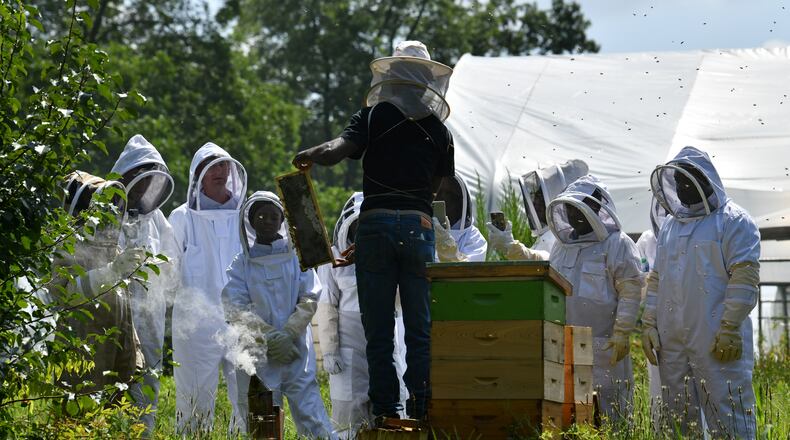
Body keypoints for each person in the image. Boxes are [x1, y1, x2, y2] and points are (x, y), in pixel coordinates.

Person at [292, 40, 454, 422]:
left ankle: (386, 411)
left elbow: (336, 150)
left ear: (392, 75)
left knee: (378, 329)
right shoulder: (439, 129)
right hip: (419, 227)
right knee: (419, 326)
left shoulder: (374, 116)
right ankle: (421, 407)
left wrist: (311, 153)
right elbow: (439, 188)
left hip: (376, 225)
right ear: (427, 78)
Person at [642, 146, 760, 439]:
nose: (682, 189)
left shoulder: (734, 220)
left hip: (717, 338)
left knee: (729, 417)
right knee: (678, 420)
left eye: (687, 181)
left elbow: (744, 276)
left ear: (706, 180)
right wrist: (648, 323)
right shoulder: (669, 226)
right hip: (673, 341)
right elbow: (657, 279)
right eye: (677, 183)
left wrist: (730, 326)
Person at [221, 191, 335, 439]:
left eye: (274, 216)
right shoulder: (241, 264)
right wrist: (271, 337)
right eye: (261, 215)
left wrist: (289, 333)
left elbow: (309, 297)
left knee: (311, 412)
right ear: (250, 221)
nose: (268, 220)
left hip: (295, 352)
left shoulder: (296, 258)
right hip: (257, 355)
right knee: (263, 419)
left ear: (282, 220)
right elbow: (235, 306)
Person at [545, 175, 642, 420]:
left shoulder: (618, 244)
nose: (572, 216)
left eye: (577, 209)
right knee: (569, 413)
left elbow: (630, 291)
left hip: (604, 346)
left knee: (609, 413)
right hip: (563, 344)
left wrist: (622, 332)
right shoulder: (560, 245)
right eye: (568, 209)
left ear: (596, 207)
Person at [168, 142, 247, 434]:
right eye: (213, 166)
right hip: (196, 323)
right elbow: (168, 268)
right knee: (195, 393)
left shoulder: (247, 214)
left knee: (247, 394)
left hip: (241, 317)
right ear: (198, 173)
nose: (220, 171)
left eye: (224, 164)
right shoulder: (182, 217)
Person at [316, 192, 408, 438]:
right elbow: (326, 306)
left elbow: (401, 300)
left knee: (393, 399)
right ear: (349, 225)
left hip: (385, 336)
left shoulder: (390, 255)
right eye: (359, 227)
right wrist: (330, 350)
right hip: (349, 342)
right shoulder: (334, 257)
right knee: (349, 407)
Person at [53, 172, 144, 396]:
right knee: (75, 426)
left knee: (109, 424)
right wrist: (111, 271)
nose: (109, 214)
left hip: (115, 360)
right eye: (102, 207)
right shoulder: (66, 248)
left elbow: (124, 310)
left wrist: (135, 353)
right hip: (81, 359)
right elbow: (65, 296)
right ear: (84, 208)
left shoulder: (114, 250)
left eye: (112, 206)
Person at [111, 134, 179, 436]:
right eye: (139, 178)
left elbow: (171, 266)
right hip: (110, 319)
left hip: (148, 320)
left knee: (146, 391)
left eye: (150, 180)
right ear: (124, 175)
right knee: (108, 388)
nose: (143, 187)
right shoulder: (100, 214)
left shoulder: (156, 220)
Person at [487, 159, 588, 260]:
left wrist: (510, 246)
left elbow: (547, 261)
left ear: (555, 198)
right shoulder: (546, 235)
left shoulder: (560, 236)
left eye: (540, 196)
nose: (535, 202)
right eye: (534, 196)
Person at [634, 197, 668, 427]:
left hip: (693, 322)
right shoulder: (647, 239)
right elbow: (636, 279)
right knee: (659, 388)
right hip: (656, 324)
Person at [432, 174, 488, 262]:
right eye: (438, 192)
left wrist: (445, 245)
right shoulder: (420, 231)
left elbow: (467, 271)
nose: (442, 197)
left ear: (460, 200)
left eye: (448, 193)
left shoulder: (474, 237)